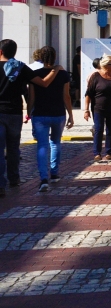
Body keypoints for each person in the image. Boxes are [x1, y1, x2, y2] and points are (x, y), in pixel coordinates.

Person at [0, 40, 63, 197]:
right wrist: (55, 70)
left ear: (0, 51)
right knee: (13, 148)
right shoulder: (20, 67)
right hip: (14, 113)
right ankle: (14, 179)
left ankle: (0, 185)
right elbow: (42, 83)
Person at [27, 47, 74, 192]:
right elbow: (66, 96)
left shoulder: (35, 74)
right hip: (58, 113)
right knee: (55, 143)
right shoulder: (63, 74)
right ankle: (54, 173)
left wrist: (29, 112)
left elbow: (31, 97)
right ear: (54, 57)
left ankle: (43, 178)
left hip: (40, 114)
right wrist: (71, 114)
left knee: (42, 145)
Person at [83, 54, 111, 161]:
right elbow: (88, 94)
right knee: (98, 130)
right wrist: (86, 110)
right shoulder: (95, 77)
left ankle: (108, 152)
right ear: (106, 65)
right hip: (98, 108)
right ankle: (97, 153)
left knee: (110, 130)